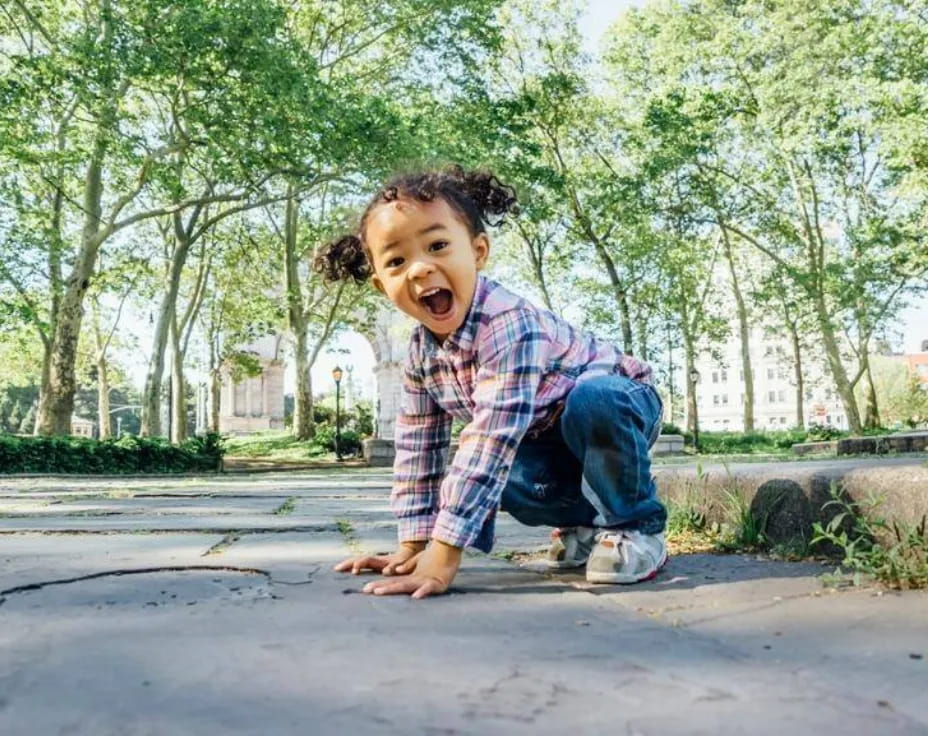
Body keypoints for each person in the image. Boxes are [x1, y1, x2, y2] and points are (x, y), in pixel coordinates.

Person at [315, 166, 666, 599]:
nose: (421, 268)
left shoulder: (508, 323)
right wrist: (415, 545)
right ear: (380, 284)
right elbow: (417, 451)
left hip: (619, 407)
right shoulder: (421, 354)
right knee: (500, 477)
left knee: (592, 402)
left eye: (438, 246)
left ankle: (637, 527)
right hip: (543, 439)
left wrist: (445, 558)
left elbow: (492, 438)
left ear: (478, 252)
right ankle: (585, 525)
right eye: (396, 261)